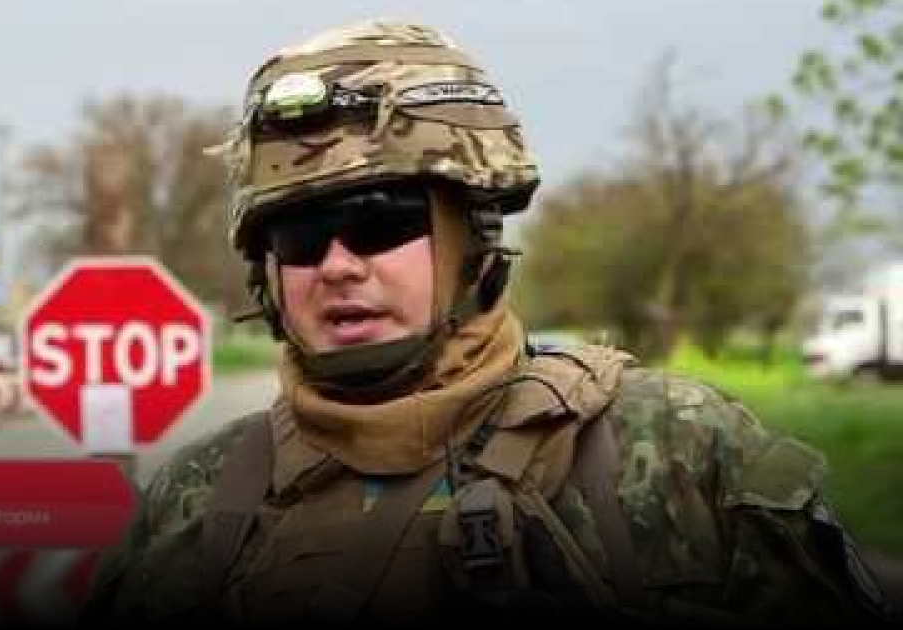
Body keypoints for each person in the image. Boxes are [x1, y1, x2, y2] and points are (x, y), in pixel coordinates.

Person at [80, 19, 896, 629]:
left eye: (380, 221)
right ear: (266, 272)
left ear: (474, 238)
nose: (337, 265)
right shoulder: (197, 502)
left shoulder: (677, 454)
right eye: (299, 236)